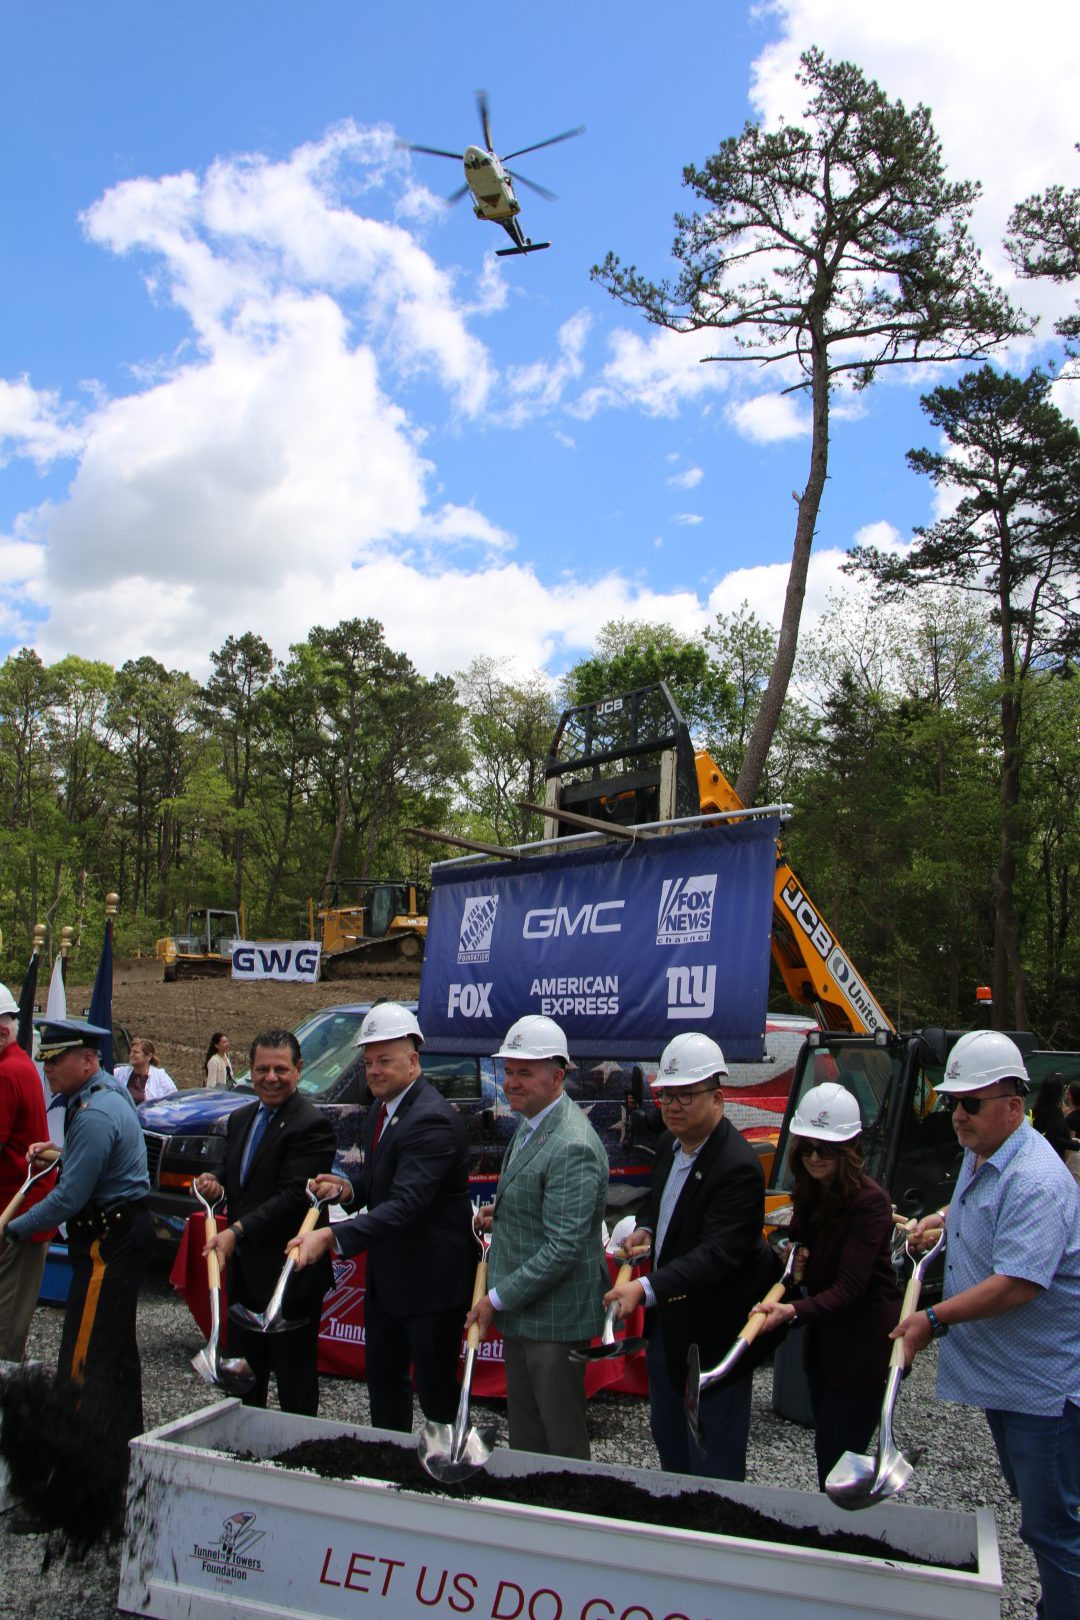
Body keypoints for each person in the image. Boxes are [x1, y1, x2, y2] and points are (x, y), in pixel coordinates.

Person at [891, 1030, 1080, 1620]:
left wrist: (932, 1318)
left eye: (970, 1103)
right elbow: (976, 1203)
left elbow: (1019, 1283)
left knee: (1054, 1528)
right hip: (1009, 1380)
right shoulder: (988, 1154)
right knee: (1039, 1509)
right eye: (953, 1102)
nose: (957, 1115)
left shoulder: (1037, 1179)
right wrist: (940, 1220)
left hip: (1043, 1390)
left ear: (1013, 1106)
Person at [288, 1003, 474, 1432]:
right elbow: (382, 1184)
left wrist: (331, 1237)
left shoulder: (431, 1119)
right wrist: (347, 1189)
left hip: (431, 1289)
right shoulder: (383, 1109)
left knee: (436, 1400)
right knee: (385, 1389)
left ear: (413, 1062)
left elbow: (407, 1205)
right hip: (389, 1282)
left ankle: (445, 1470)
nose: (373, 1071)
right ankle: (390, 1464)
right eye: (368, 1062)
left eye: (384, 1061)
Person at [603, 1031, 777, 1482]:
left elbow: (716, 1256)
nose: (673, 1106)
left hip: (712, 1334)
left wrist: (643, 1289)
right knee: (670, 1442)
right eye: (666, 1095)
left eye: (686, 1095)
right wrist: (645, 1228)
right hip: (668, 1330)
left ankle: (715, 1524)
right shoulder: (670, 1145)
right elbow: (657, 1199)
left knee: (711, 1458)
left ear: (718, 1098)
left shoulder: (737, 1167)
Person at [2, 1019, 152, 1471]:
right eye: (45, 1060)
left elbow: (68, 1198)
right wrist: (58, 1152)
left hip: (109, 1242)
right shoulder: (102, 1095)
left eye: (55, 1060)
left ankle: (74, 1473)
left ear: (87, 1061)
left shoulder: (94, 1113)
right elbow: (95, 1162)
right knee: (115, 1350)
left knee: (83, 1359)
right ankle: (122, 1456)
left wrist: (13, 1229)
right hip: (119, 1233)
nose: (46, 1068)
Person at [465, 1015, 608, 1461]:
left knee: (559, 1441)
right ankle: (528, 1500)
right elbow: (543, 1205)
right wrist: (504, 1215)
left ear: (557, 1077)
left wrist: (495, 1299)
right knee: (528, 1434)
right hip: (529, 1315)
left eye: (524, 1073)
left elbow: (563, 1247)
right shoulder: (534, 1124)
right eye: (508, 1071)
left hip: (554, 1321)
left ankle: (570, 1505)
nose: (511, 1082)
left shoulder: (571, 1144)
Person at [748, 1082, 901, 1488]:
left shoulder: (869, 1202)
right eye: (808, 1148)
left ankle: (845, 1520)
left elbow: (850, 1288)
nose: (814, 1157)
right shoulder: (812, 1191)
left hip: (860, 1350)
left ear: (848, 1151)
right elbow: (801, 1250)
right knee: (827, 1452)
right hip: (824, 1347)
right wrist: (793, 1261)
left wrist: (791, 1311)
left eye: (826, 1150)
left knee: (839, 1456)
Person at [194, 1028, 335, 1417]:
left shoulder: (312, 1125)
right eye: (262, 1069)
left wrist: (237, 1231)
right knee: (243, 1380)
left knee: (294, 1382)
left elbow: (294, 1197)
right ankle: (243, 1446)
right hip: (245, 1274)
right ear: (250, 1070)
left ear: (298, 1069)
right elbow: (233, 1173)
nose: (271, 1078)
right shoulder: (241, 1118)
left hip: (290, 1276)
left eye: (280, 1069)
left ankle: (299, 1449)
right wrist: (214, 1182)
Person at [0, 984, 56, 1362]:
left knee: (5, 1325)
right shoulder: (17, 1065)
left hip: (16, 1214)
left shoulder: (7, 1073)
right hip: (19, 1209)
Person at [114, 1037, 178, 1106]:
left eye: (136, 1052)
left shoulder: (160, 1077)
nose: (131, 1055)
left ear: (149, 1056)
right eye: (131, 1052)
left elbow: (174, 1100)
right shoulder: (120, 1072)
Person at [1031, 1074, 1079, 1162]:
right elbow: (1054, 1139)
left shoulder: (1042, 1109)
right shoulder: (1053, 1114)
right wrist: (1075, 1145)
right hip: (1053, 1161)